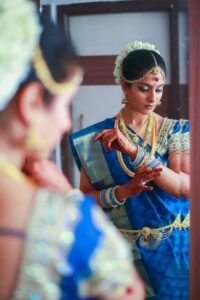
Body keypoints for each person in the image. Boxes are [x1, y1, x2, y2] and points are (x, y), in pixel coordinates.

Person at [0, 2, 145, 299]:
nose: (66, 122)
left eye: (158, 87)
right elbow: (131, 292)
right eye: (65, 104)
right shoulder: (66, 224)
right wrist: (68, 197)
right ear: (31, 104)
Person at [69, 41, 190, 299]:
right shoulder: (97, 138)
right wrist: (125, 191)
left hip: (173, 254)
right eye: (144, 88)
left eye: (159, 89)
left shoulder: (176, 131)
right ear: (124, 85)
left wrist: (135, 152)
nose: (153, 98)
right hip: (123, 252)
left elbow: (184, 188)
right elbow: (86, 198)